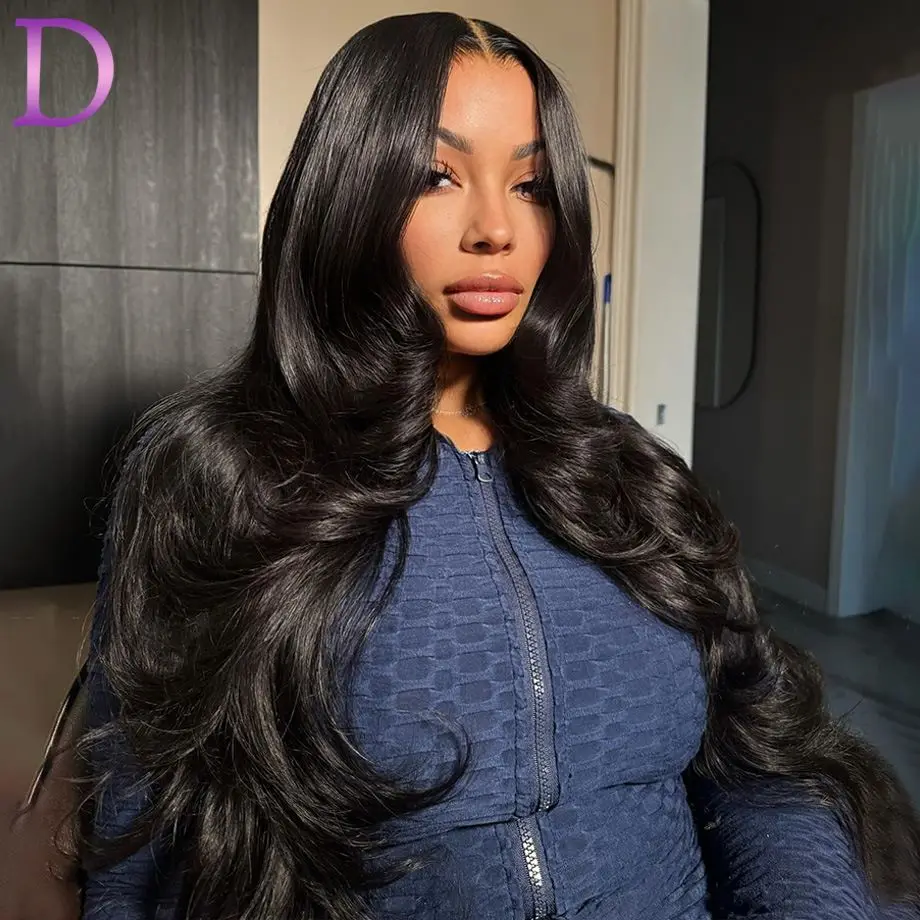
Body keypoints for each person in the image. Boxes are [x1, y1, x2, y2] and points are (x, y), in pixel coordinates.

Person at [75, 11, 920, 920]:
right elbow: (139, 832)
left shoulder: (629, 474)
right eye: (436, 176)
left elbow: (764, 760)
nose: (496, 229)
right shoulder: (217, 472)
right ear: (349, 193)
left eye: (531, 185)